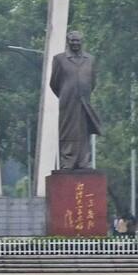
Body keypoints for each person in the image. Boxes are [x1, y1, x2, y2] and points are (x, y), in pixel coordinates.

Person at [49, 30, 102, 170]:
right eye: (72, 40)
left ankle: (84, 161)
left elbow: (93, 81)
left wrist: (83, 92)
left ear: (82, 42)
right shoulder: (59, 59)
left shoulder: (90, 59)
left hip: (84, 102)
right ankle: (68, 161)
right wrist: (66, 93)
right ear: (68, 41)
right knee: (68, 130)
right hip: (67, 102)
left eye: (78, 40)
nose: (75, 43)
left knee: (84, 131)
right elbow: (54, 83)